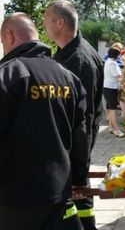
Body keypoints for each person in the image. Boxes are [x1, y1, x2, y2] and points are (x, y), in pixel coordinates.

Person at [0, 13, 88, 230]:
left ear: (9, 35)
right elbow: (81, 134)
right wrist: (78, 178)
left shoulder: (7, 76)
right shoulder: (68, 77)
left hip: (15, 199)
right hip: (59, 193)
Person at [44, 0, 104, 230]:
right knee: (74, 203)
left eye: (46, 19)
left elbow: (84, 119)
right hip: (66, 146)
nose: (43, 25)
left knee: (77, 196)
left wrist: (79, 168)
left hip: (72, 148)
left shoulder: (80, 61)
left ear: (60, 22)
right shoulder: (64, 54)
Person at [103, 44, 125, 137]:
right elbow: (119, 78)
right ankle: (117, 130)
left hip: (107, 88)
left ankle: (111, 128)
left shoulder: (108, 61)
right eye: (119, 54)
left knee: (110, 108)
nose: (120, 56)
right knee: (113, 110)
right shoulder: (113, 64)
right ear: (116, 55)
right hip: (111, 88)